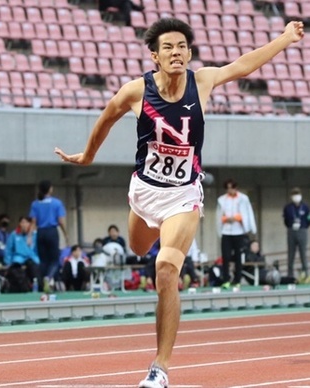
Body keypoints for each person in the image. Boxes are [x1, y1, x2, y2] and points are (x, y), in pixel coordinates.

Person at [53, 17, 304, 388]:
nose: (176, 52)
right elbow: (106, 119)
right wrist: (88, 155)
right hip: (144, 192)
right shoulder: (136, 91)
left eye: (182, 46)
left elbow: (244, 64)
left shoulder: (201, 82)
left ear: (189, 53)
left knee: (166, 269)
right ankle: (159, 239)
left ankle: (160, 367)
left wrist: (284, 38)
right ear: (154, 55)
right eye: (168, 47)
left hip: (183, 194)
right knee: (139, 247)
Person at [216, 178, 257, 289]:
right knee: (226, 256)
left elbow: (247, 213)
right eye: (228, 188)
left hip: (239, 231)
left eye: (232, 188)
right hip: (226, 232)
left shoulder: (243, 199)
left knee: (239, 257)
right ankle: (226, 280)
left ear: (236, 188)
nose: (230, 190)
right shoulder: (222, 200)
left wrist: (238, 218)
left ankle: (237, 280)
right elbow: (219, 215)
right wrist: (226, 219)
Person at [28, 180, 68, 292]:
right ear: (50, 189)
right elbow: (60, 221)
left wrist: (30, 236)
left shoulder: (35, 203)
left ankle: (43, 285)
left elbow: (33, 222)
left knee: (43, 260)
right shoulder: (56, 203)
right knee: (55, 259)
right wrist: (65, 234)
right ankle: (48, 277)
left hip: (40, 232)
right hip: (51, 231)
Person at [4, 216, 40, 292]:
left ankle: (37, 288)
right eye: (22, 222)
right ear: (19, 224)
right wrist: (7, 262)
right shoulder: (14, 234)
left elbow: (38, 249)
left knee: (35, 270)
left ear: (30, 224)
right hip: (18, 258)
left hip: (32, 258)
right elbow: (8, 249)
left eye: (26, 222)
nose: (24, 224)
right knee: (16, 271)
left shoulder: (34, 234)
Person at [283, 187, 309, 280]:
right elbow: (285, 220)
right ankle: (290, 275)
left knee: (303, 253)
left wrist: (304, 226)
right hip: (291, 230)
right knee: (291, 254)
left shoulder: (305, 207)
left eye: (297, 194)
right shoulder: (288, 207)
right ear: (291, 196)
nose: (296, 197)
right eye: (294, 195)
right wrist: (291, 226)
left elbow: (308, 218)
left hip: (302, 230)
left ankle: (306, 274)